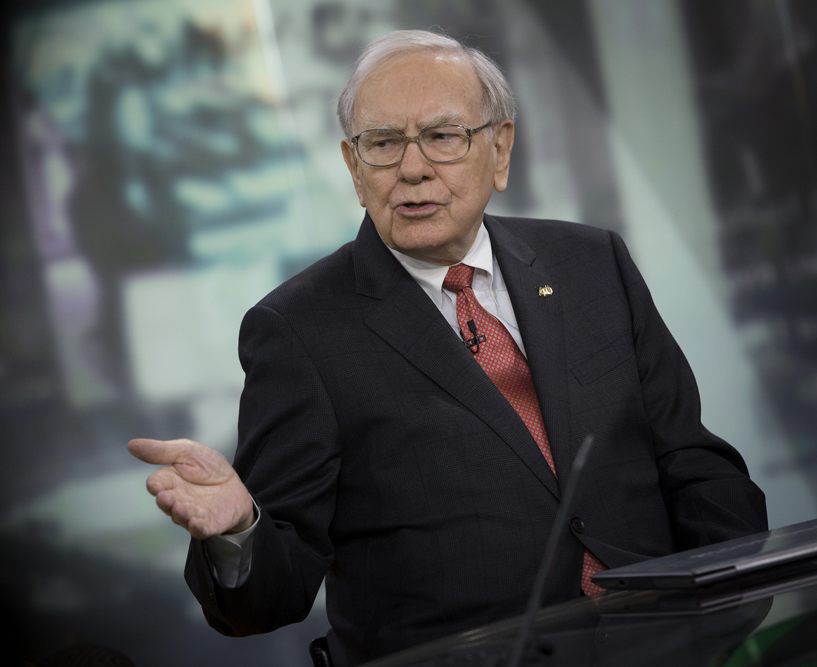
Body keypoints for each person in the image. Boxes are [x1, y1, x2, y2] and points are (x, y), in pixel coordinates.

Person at [128, 30, 767, 667]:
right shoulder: (298, 330)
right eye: (383, 143)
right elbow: (271, 595)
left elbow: (692, 461)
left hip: (663, 645)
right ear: (353, 167)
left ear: (500, 149)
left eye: (442, 136)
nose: (412, 168)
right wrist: (240, 529)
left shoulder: (592, 263)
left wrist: (728, 608)